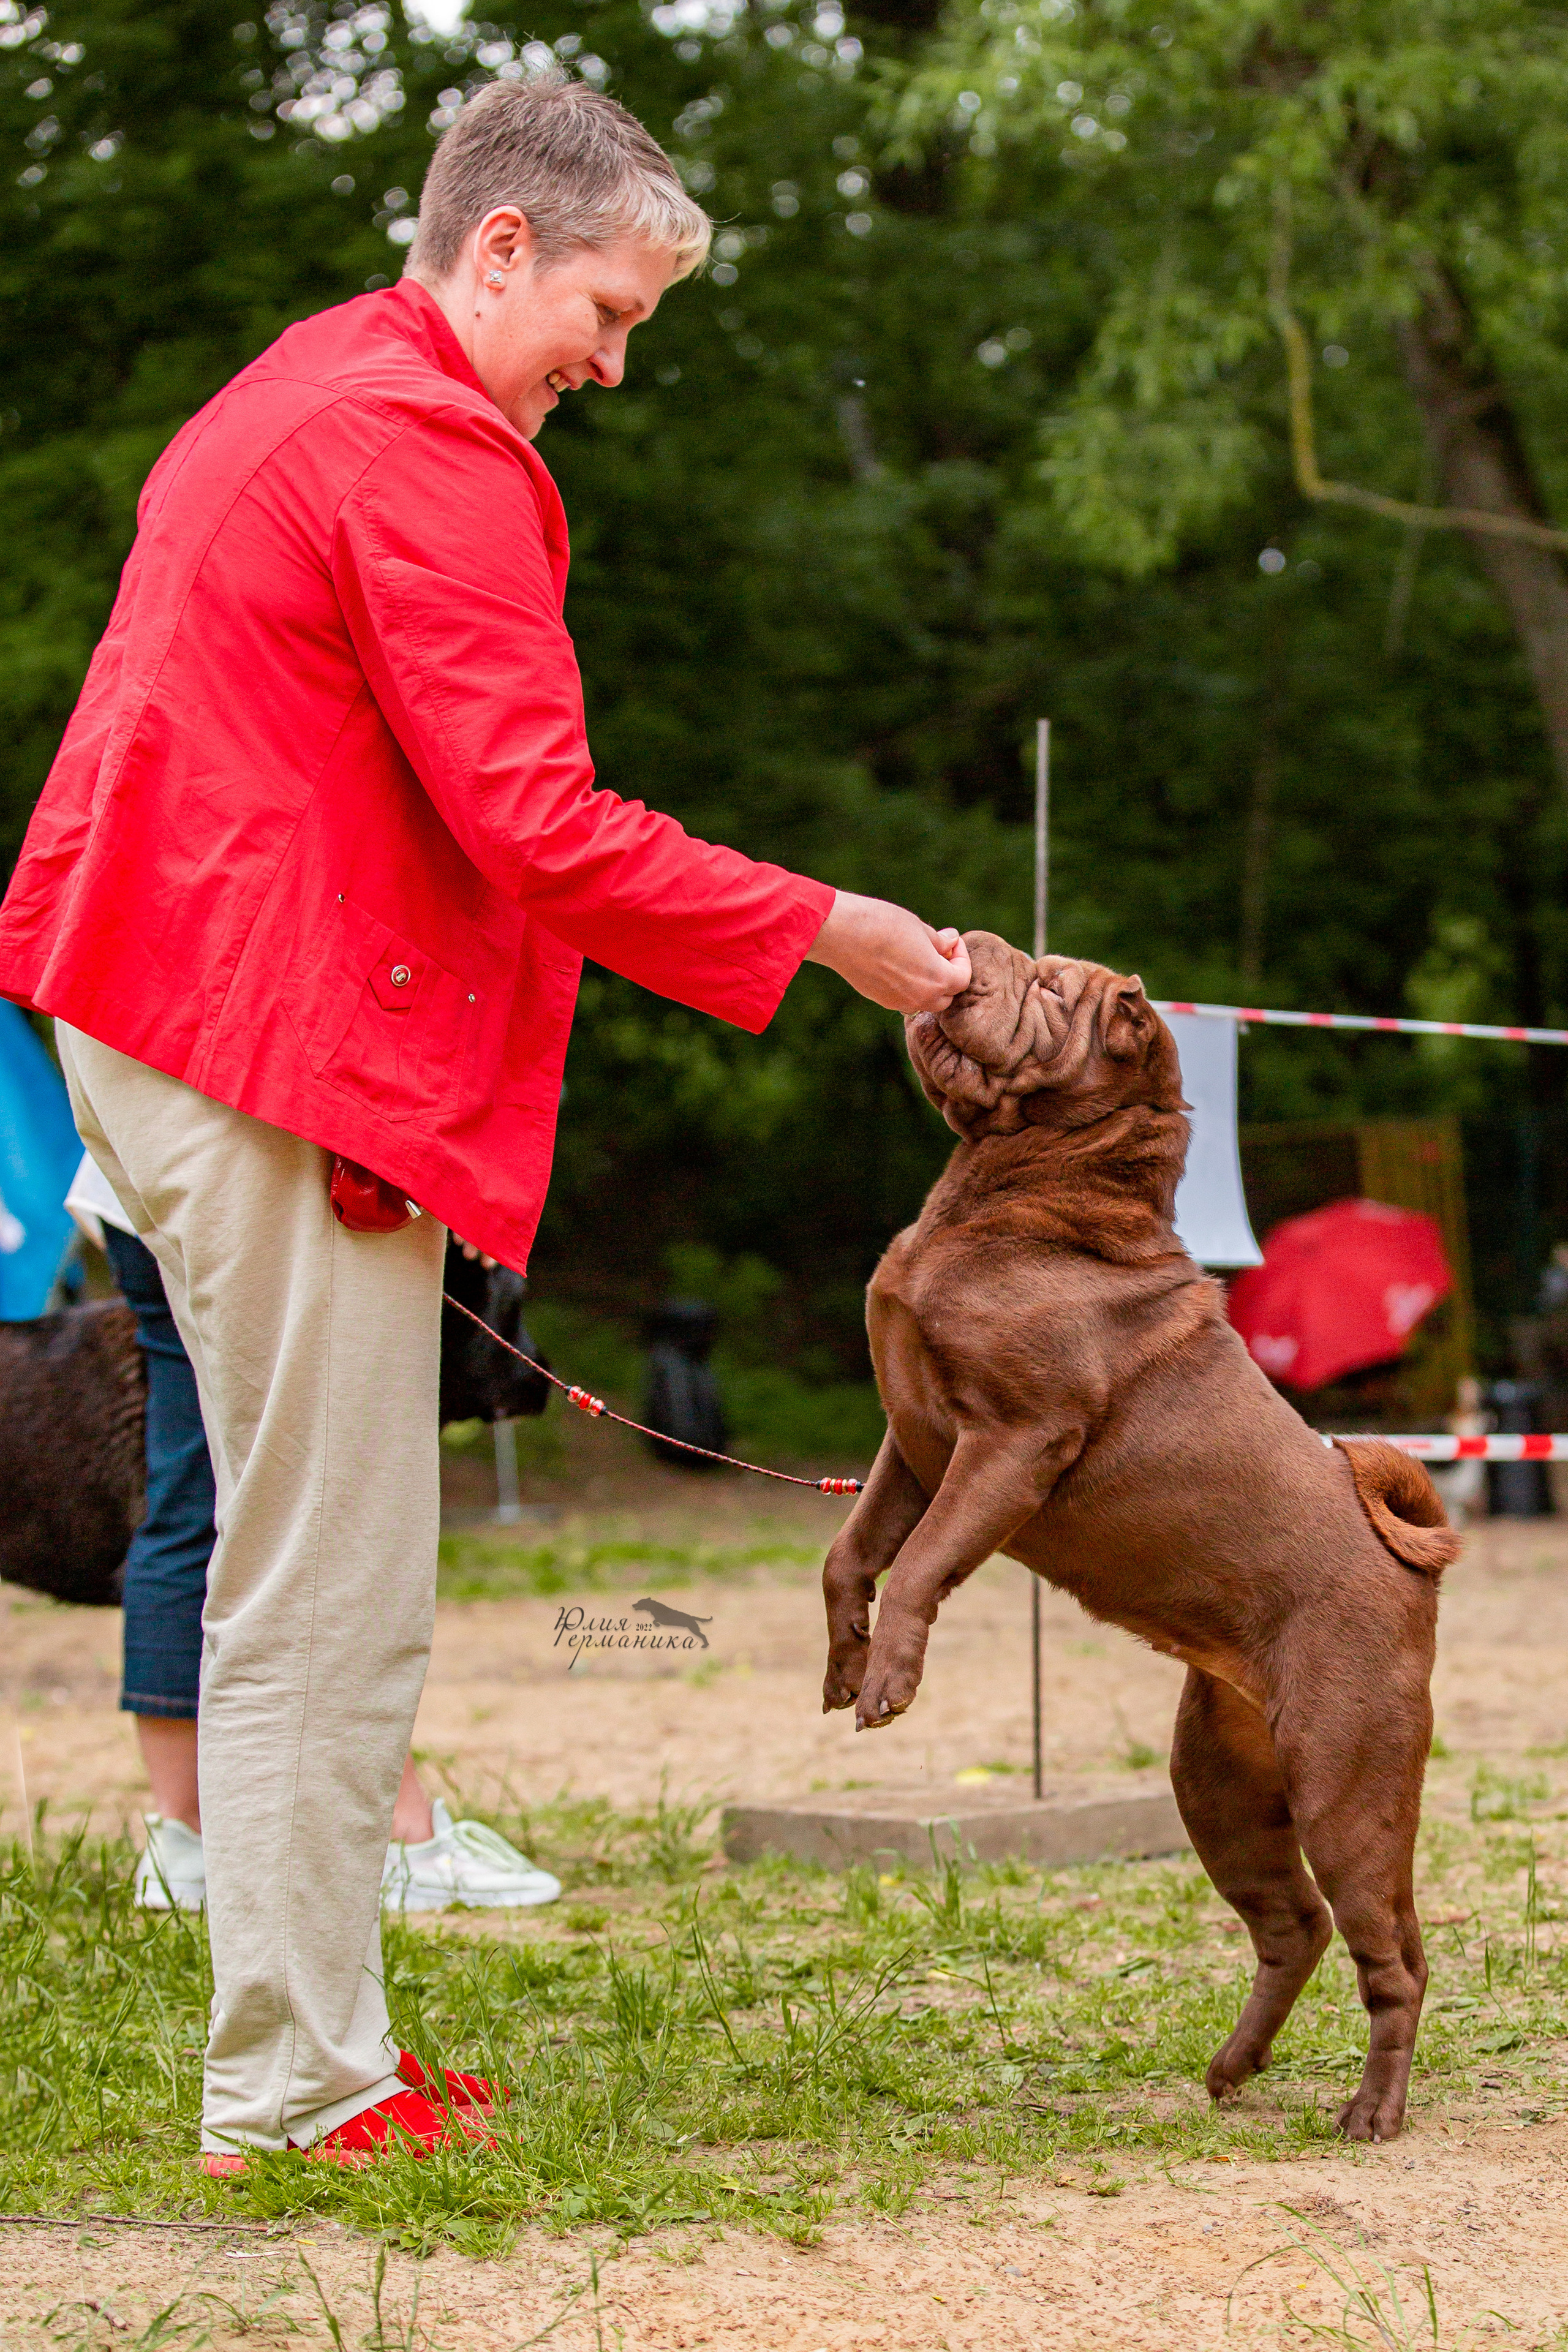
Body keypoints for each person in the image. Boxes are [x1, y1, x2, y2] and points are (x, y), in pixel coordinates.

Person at [0, 72, 971, 2173]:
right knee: (328, 1577)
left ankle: (309, 2053)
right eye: (605, 313)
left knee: (292, 1555)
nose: (614, 365)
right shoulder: (420, 441)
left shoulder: (317, 376)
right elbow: (536, 822)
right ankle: (301, 2087)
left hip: (159, 995)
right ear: (500, 246)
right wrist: (833, 930)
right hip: (254, 1026)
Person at [65, 1152, 560, 1914]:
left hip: (137, 1173)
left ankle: (186, 1839)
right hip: (264, 1174)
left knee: (190, 1488)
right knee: (321, 1490)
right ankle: (394, 1833)